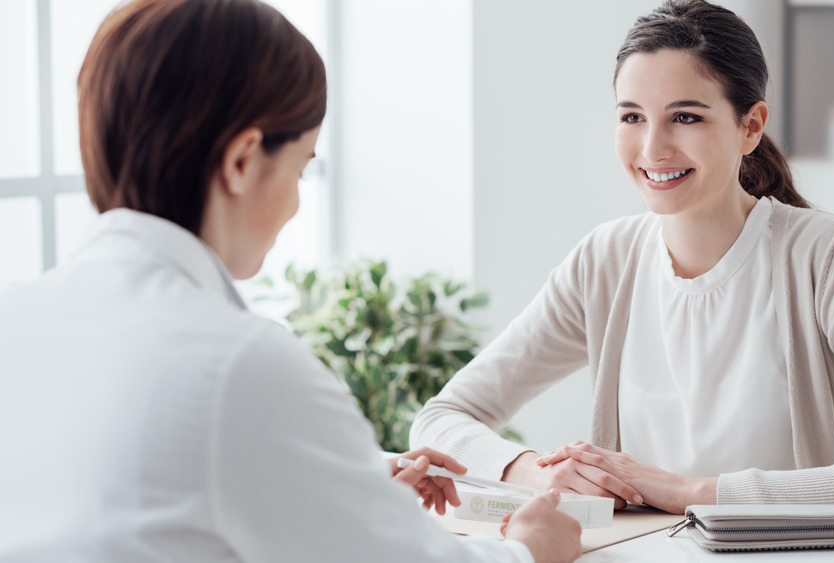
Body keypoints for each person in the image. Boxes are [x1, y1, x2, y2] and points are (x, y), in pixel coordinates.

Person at [0, 0, 581, 561]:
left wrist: (329, 480)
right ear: (242, 162)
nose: (297, 205)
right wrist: (528, 550)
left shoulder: (18, 317)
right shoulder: (238, 363)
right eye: (301, 166)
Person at [410, 0, 834, 527]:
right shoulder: (606, 260)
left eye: (685, 117)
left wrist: (690, 494)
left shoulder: (820, 252)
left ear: (750, 126)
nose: (652, 148)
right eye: (631, 116)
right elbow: (440, 419)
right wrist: (535, 472)